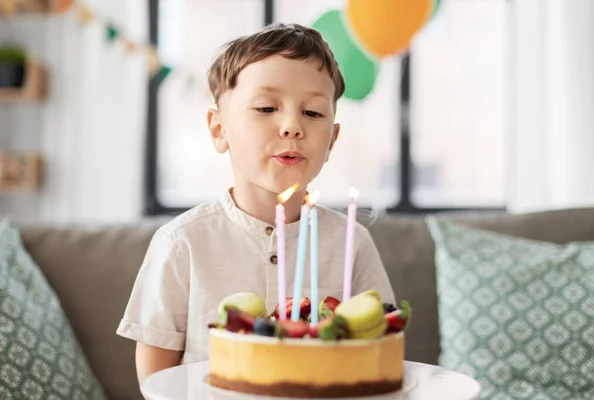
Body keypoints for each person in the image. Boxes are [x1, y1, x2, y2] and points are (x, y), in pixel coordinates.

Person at [116, 22, 395, 384]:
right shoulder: (182, 243)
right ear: (219, 129)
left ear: (332, 140)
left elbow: (379, 351)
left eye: (312, 112)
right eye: (266, 107)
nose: (292, 126)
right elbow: (155, 373)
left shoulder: (351, 244)